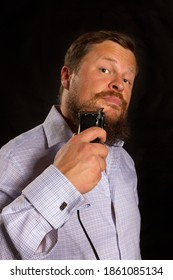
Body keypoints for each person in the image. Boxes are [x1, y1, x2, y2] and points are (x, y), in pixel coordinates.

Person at [0, 30, 141, 260]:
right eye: (105, 70)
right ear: (67, 77)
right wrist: (60, 184)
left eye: (127, 79)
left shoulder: (124, 162)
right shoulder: (11, 161)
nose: (119, 85)